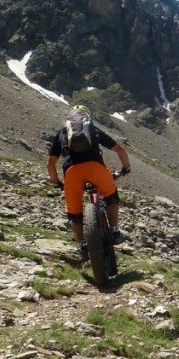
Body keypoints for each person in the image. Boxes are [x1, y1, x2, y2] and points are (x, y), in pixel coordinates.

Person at [47, 105, 131, 256]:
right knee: (111, 195)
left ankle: (81, 245)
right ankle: (114, 231)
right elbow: (120, 150)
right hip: (95, 168)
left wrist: (58, 182)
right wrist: (125, 168)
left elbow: (51, 163)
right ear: (87, 117)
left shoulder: (63, 132)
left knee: (74, 212)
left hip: (72, 172)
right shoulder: (92, 129)